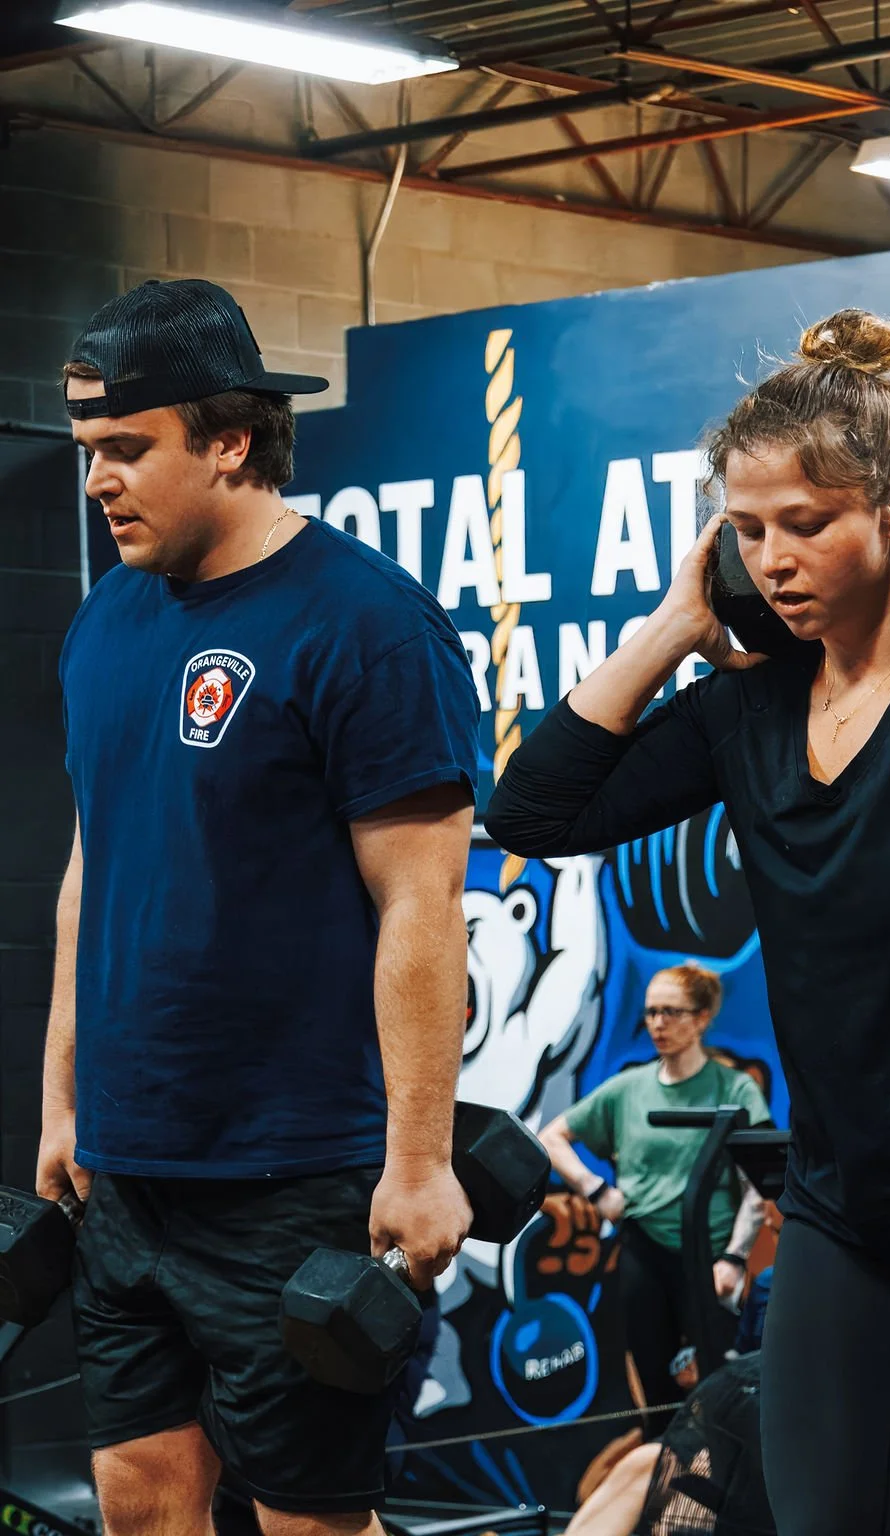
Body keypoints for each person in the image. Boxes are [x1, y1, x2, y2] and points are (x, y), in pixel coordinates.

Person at [485, 309, 890, 1534]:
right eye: (745, 530)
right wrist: (675, 625)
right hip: (845, 1215)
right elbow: (532, 810)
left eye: (806, 523)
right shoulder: (748, 709)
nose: (773, 559)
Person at [40, 278, 481, 1536]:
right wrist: (65, 1100)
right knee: (137, 1500)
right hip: (129, 1166)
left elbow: (423, 906)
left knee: (307, 1522)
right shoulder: (106, 619)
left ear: (231, 440)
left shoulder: (368, 624)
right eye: (88, 450)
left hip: (297, 1173)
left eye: (128, 449)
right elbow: (90, 870)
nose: (99, 480)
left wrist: (419, 1163)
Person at [540, 961, 770, 1419]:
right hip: (644, 1251)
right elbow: (551, 1138)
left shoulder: (735, 1089)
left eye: (671, 1012)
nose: (658, 1023)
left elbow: (756, 1186)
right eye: (651, 1012)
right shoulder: (628, 1090)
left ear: (701, 1018)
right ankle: (662, 1459)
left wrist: (734, 1257)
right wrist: (597, 1190)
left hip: (710, 1256)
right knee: (655, 1386)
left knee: (719, 1391)